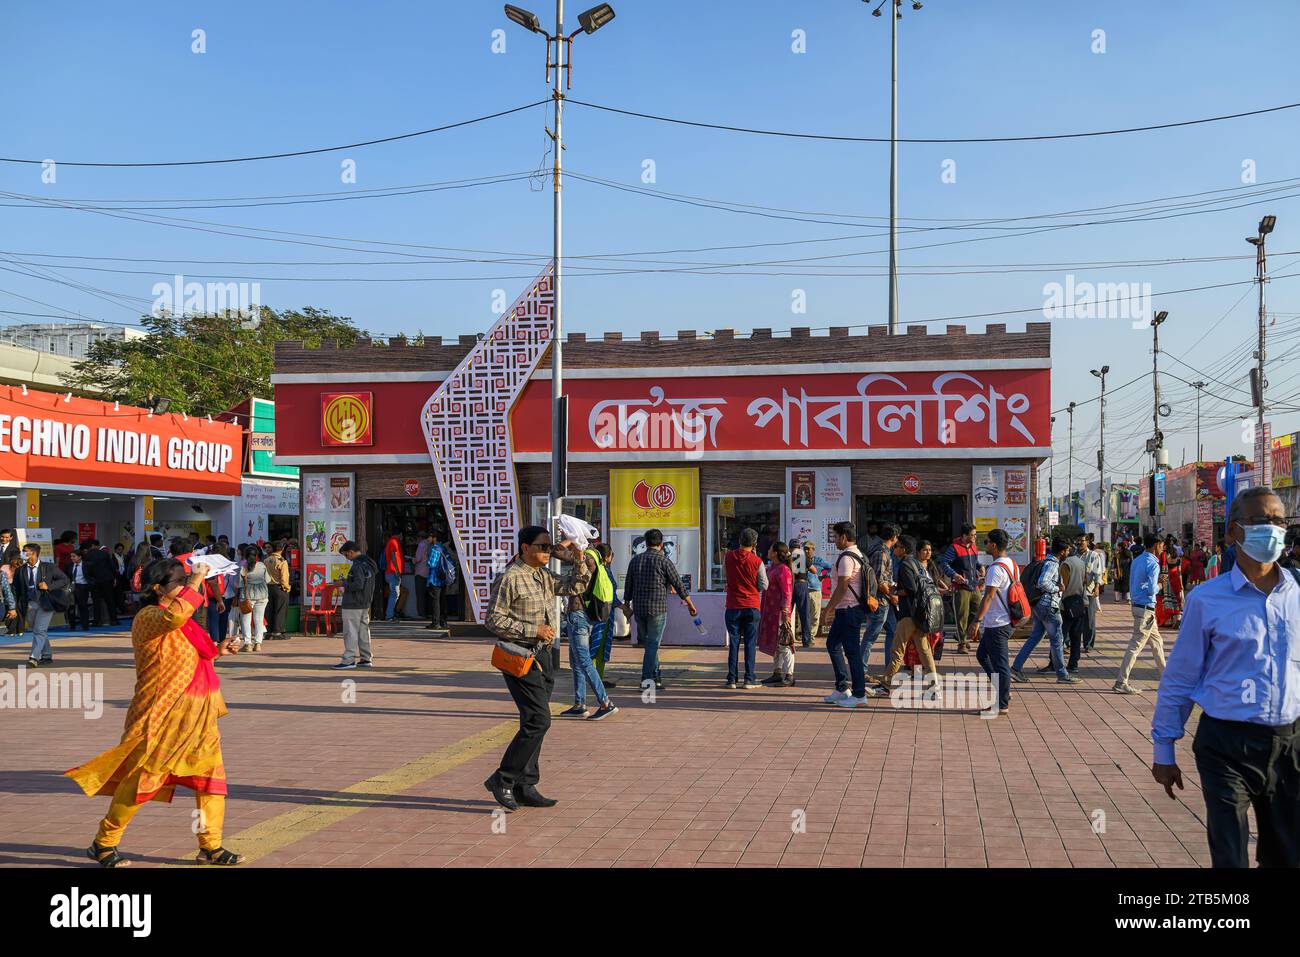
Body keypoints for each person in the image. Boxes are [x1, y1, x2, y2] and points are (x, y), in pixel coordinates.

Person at [1150, 486, 1300, 868]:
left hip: (1290, 745)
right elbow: (1180, 680)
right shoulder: (1207, 599)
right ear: (1234, 532)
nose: (1272, 529)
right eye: (1260, 521)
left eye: (1278, 520)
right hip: (1226, 746)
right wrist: (1164, 750)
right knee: (1230, 854)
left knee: (1286, 854)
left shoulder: (1298, 593)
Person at [66, 557, 244, 867]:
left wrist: (218, 652)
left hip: (197, 716)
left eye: (186, 580)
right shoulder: (149, 617)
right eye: (179, 582)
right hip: (161, 715)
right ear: (159, 589)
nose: (188, 585)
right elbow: (174, 618)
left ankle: (211, 847)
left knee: (210, 782)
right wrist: (195, 582)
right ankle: (103, 843)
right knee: (141, 782)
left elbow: (186, 659)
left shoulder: (185, 618)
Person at [483, 526, 594, 812]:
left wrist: (578, 555)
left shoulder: (543, 575)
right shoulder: (510, 577)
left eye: (549, 547)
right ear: (524, 548)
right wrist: (533, 630)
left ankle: (525, 784)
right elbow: (493, 620)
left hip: (544, 657)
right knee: (539, 720)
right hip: (520, 656)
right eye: (542, 546)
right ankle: (503, 778)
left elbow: (576, 586)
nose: (548, 551)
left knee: (533, 722)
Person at [624, 528, 697, 693]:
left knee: (650, 645)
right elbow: (678, 584)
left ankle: (656, 677)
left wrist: (627, 606)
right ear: (661, 544)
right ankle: (646, 680)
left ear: (646, 543)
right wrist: (690, 604)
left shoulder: (635, 561)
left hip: (640, 609)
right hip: (657, 609)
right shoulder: (664, 561)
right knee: (652, 645)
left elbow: (628, 585)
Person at [559, 542, 618, 721]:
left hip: (579, 617)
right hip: (579, 617)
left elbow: (556, 551)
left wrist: (571, 539)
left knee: (584, 661)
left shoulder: (588, 558)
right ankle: (580, 704)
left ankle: (606, 703)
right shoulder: (595, 559)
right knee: (576, 662)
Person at [821, 522, 876, 708]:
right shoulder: (859, 555)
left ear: (844, 537)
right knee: (832, 644)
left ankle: (859, 694)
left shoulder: (846, 558)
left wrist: (828, 609)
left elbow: (843, 586)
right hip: (849, 610)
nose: (835, 540)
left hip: (849, 610)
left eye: (836, 537)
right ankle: (842, 687)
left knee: (852, 652)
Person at [880, 535, 944, 693]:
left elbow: (912, 590)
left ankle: (886, 684)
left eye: (898, 546)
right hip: (920, 613)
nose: (895, 548)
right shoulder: (917, 564)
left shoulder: (906, 564)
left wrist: (895, 591)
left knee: (897, 649)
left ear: (903, 549)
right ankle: (934, 684)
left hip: (909, 613)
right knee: (925, 650)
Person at [1010, 538, 1079, 684]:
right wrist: (1057, 588)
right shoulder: (1052, 564)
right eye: (1066, 550)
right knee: (1057, 640)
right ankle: (1062, 674)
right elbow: (1043, 582)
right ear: (1061, 552)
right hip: (1048, 606)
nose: (1067, 553)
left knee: (1035, 638)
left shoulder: (1043, 562)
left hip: (1038, 605)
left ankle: (1015, 668)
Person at [966, 528, 1017, 716]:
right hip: (1001, 620)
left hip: (998, 622)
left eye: (986, 542)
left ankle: (1002, 704)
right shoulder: (1010, 564)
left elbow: (988, 597)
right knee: (982, 656)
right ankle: (1003, 690)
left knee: (1001, 665)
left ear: (994, 545)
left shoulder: (996, 568)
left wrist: (976, 621)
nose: (984, 544)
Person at [1114, 533, 1166, 695]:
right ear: (1156, 545)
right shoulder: (1153, 564)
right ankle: (1121, 681)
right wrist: (1160, 585)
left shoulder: (1137, 560)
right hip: (1146, 609)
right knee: (1135, 646)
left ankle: (1167, 680)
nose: (1163, 547)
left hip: (1138, 605)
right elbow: (1151, 590)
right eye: (1162, 544)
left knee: (1157, 644)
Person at [723, 527, 767, 690]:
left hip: (733, 605)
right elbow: (764, 584)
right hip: (751, 605)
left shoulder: (728, 557)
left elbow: (725, 576)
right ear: (754, 544)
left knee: (734, 642)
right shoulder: (757, 561)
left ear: (740, 541)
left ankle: (731, 679)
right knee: (749, 643)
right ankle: (749, 678)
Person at [15, 544, 70, 667]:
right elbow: (16, 589)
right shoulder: (21, 570)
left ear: (34, 554)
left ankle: (34, 657)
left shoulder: (48, 567)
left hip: (46, 603)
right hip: (29, 604)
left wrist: (48, 586)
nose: (22, 554)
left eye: (25, 552)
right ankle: (47, 655)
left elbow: (64, 580)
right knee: (37, 630)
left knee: (40, 630)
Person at [858, 523, 897, 686]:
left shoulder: (879, 550)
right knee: (871, 635)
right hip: (881, 600)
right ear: (894, 538)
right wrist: (891, 595)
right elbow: (880, 580)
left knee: (892, 631)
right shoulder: (881, 553)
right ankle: (860, 670)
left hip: (884, 599)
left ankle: (889, 669)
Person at [334, 542, 378, 670]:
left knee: (350, 632)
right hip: (365, 602)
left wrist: (343, 584)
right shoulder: (369, 563)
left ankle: (349, 659)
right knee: (363, 631)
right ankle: (366, 658)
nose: (346, 557)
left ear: (351, 552)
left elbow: (358, 585)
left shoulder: (357, 565)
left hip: (353, 603)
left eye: (346, 554)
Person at [759, 541, 797, 687]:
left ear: (775, 553)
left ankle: (789, 674)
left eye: (770, 548)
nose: (768, 550)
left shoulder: (783, 570)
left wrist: (786, 612)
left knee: (785, 643)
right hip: (771, 612)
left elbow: (787, 593)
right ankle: (777, 672)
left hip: (781, 613)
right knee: (776, 643)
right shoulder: (772, 568)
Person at [939, 523, 982, 653]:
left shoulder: (974, 547)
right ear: (964, 535)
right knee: (961, 614)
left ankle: (961, 635)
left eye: (975, 534)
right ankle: (962, 643)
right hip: (961, 586)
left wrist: (980, 567)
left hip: (974, 585)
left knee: (977, 610)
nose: (974, 537)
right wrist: (954, 574)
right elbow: (944, 563)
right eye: (972, 535)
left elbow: (975, 562)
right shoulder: (954, 548)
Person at [588, 543, 620, 683]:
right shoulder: (603, 571)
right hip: (602, 614)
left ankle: (598, 677)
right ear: (607, 557)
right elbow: (610, 594)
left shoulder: (600, 569)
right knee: (597, 646)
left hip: (602, 612)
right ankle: (595, 679)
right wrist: (622, 606)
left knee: (598, 645)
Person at [1058, 540, 1088, 669]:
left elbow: (1063, 585)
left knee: (1060, 635)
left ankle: (1054, 662)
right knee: (1076, 636)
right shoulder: (1082, 563)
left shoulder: (1065, 564)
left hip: (1067, 603)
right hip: (1080, 602)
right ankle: (1073, 663)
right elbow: (1085, 581)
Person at [237, 546, 270, 652]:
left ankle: (247, 644)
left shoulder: (243, 567)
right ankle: (258, 644)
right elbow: (268, 580)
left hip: (247, 597)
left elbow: (239, 584)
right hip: (262, 596)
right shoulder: (262, 566)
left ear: (245, 556)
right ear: (256, 556)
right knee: (259, 620)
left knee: (246, 621)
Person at [84, 540, 118, 628]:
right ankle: (113, 620)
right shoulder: (104, 554)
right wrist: (114, 577)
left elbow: (87, 569)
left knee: (96, 602)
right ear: (94, 546)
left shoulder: (87, 555)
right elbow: (112, 566)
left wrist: (90, 580)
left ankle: (96, 621)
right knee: (110, 600)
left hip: (95, 581)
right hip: (107, 580)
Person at [263, 541, 291, 640]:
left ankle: (269, 632)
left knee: (269, 610)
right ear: (282, 549)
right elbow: (284, 578)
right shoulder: (282, 561)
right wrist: (286, 588)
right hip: (279, 588)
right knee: (280, 610)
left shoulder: (266, 560)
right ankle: (278, 632)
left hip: (268, 587)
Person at [423, 530, 449, 632]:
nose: (427, 539)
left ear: (434, 538)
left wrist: (426, 558)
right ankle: (443, 621)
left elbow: (432, 564)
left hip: (435, 579)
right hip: (443, 578)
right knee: (442, 600)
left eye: (429, 537)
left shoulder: (435, 549)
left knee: (435, 601)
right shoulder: (443, 548)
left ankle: (436, 622)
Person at [1083, 534, 1106, 649]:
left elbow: (1098, 572)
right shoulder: (1074, 555)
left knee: (1089, 619)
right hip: (1076, 590)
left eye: (1081, 541)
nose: (1079, 543)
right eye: (1077, 541)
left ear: (1087, 542)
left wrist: (1097, 587)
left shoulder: (1093, 555)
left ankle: (1088, 644)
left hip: (1089, 591)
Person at [383, 530, 405, 622]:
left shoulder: (392, 541)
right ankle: (389, 616)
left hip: (391, 572)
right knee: (394, 594)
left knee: (394, 594)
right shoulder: (394, 542)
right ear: (400, 534)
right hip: (392, 572)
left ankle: (390, 615)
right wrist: (396, 570)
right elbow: (393, 556)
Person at [1112, 537, 1133, 603]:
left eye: (1118, 547)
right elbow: (1131, 563)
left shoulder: (1117, 555)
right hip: (1127, 573)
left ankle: (1117, 600)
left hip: (1119, 573)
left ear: (1120, 547)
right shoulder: (1129, 554)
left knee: (1117, 586)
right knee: (1127, 586)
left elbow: (1115, 565)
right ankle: (1128, 599)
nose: (1117, 548)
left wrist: (1115, 574)